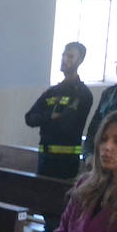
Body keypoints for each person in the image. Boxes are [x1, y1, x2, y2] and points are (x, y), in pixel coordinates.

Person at [26, 41, 94, 183]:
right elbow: (29, 118)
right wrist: (50, 116)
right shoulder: (52, 91)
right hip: (45, 158)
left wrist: (44, 119)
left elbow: (65, 125)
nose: (65, 60)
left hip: (65, 161)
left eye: (70, 56)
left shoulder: (82, 94)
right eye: (63, 55)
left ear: (80, 60)